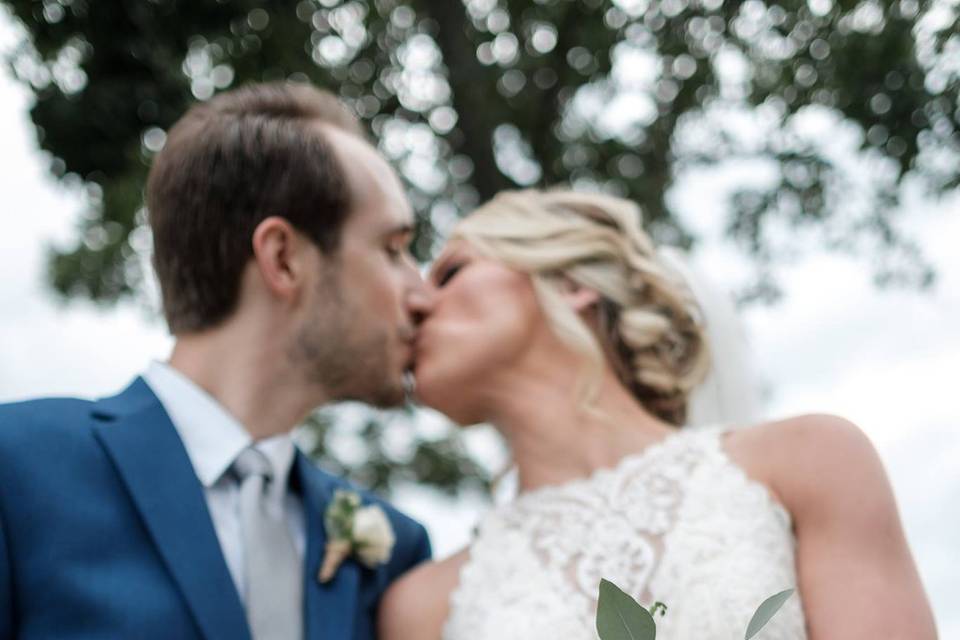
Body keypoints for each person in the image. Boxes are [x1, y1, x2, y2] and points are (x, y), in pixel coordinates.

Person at [378, 189, 936, 640]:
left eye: (449, 273)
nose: (417, 302)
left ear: (572, 283)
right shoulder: (419, 609)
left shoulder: (809, 463)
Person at [0, 82, 434, 639]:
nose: (420, 293)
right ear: (283, 258)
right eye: (393, 250)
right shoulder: (17, 470)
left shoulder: (396, 553)